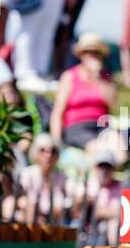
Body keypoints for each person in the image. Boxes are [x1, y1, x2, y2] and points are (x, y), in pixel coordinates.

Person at [50, 31, 118, 159]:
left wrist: (98, 78)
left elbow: (112, 102)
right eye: (88, 52)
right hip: (77, 127)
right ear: (81, 55)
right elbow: (58, 112)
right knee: (97, 150)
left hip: (102, 126)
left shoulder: (106, 77)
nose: (92, 56)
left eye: (96, 53)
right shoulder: (70, 77)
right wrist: (56, 142)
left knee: (119, 152)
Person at [16, 132, 73, 223]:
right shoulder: (27, 173)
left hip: (55, 222)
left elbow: (70, 201)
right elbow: (20, 200)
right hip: (30, 220)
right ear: (36, 153)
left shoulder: (62, 177)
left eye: (53, 151)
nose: (48, 155)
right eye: (43, 150)